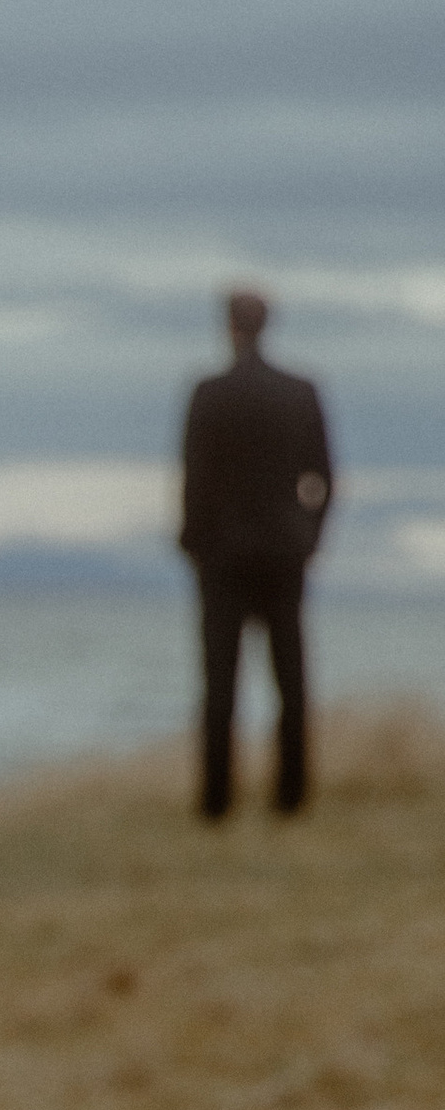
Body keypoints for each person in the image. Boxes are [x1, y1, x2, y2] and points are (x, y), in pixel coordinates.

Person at [180, 288, 335, 818]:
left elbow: (194, 481)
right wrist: (309, 536)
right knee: (290, 680)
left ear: (229, 326)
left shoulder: (209, 394)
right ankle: (291, 796)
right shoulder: (299, 392)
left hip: (223, 558)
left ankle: (216, 802)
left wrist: (195, 542)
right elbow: (324, 477)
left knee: (219, 684)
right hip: (283, 555)